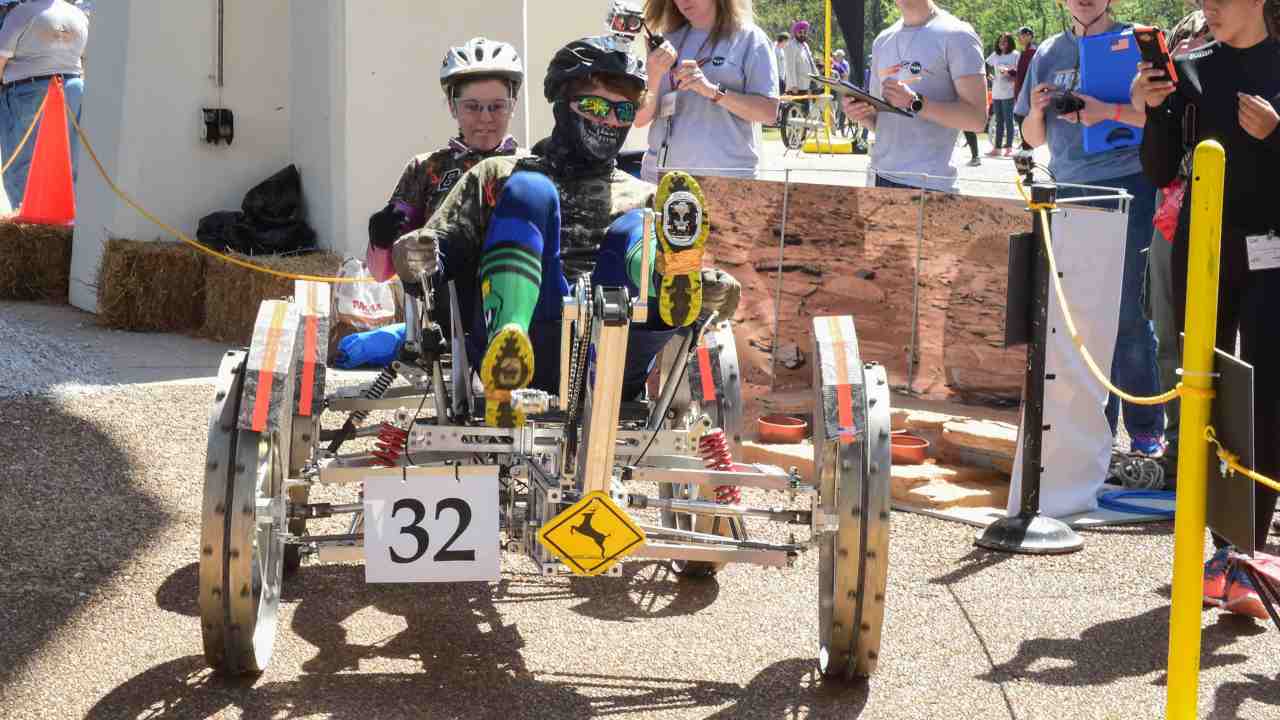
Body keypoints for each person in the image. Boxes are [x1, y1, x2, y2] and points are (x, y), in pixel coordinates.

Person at [392, 35, 741, 428]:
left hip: (619, 345)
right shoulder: (498, 174)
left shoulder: (648, 197)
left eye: (623, 110)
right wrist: (417, 253)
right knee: (530, 189)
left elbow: (709, 299)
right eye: (594, 106)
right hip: (535, 337)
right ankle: (509, 341)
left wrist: (715, 290)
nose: (609, 121)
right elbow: (435, 257)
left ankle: (674, 282)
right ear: (561, 104)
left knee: (640, 225)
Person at [1134, 0, 1280, 619]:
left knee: (1269, 395)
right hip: (1203, 251)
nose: (1207, 8)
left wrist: (1277, 137)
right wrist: (1155, 109)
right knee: (1206, 392)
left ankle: (1253, 551)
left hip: (1274, 252)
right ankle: (1223, 552)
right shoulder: (1193, 67)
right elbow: (1161, 171)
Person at [1015, 0, 1165, 456]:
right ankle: (1093, 430)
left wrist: (1104, 112)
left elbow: (1160, 123)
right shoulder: (1047, 52)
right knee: (1079, 315)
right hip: (1069, 187)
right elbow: (1031, 138)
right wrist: (1039, 111)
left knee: (1127, 313)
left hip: (1129, 185)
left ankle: (1145, 430)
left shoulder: (1138, 44)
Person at [1127, 7, 1213, 484]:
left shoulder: (1263, 25)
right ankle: (1181, 449)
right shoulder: (1184, 28)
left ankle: (1248, 463)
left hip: (1238, 201)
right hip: (1172, 202)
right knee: (1169, 334)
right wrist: (1146, 98)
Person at [367, 37, 526, 283]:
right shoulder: (426, 168)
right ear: (453, 107)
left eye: (497, 106)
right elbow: (381, 273)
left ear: (513, 105)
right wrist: (380, 239)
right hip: (445, 311)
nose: (485, 118)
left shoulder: (531, 165)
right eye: (472, 107)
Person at [841, 0, 986, 191]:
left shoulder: (958, 35)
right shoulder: (882, 40)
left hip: (929, 185)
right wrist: (861, 114)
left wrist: (915, 103)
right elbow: (881, 123)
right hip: (879, 177)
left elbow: (976, 119)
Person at [635, 0, 779, 181]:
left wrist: (713, 91)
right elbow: (639, 119)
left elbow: (768, 113)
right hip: (660, 178)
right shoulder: (665, 41)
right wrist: (654, 76)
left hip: (725, 180)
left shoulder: (750, 38)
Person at [0, 0, 88, 210]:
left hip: (28, 91)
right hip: (73, 87)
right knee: (68, 164)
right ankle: (69, 218)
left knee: (20, 164)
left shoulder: (21, 14)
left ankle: (25, 217)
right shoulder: (78, 15)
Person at [986, 32, 1019, 156]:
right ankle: (997, 148)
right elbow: (986, 64)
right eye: (1000, 42)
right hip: (996, 92)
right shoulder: (995, 55)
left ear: (1010, 42)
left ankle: (1009, 148)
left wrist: (1009, 72)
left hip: (1009, 92)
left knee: (1008, 120)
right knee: (998, 121)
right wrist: (989, 75)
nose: (1002, 44)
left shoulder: (1015, 55)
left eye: (1005, 42)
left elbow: (1019, 71)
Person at [1011, 25, 1037, 151]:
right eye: (1019, 35)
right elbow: (1020, 73)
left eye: (1022, 35)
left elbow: (1029, 74)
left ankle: (1028, 148)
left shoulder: (1032, 53)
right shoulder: (1026, 52)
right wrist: (1011, 72)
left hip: (1027, 91)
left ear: (1029, 36)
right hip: (1021, 90)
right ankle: (1026, 145)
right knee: (1020, 117)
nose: (1019, 38)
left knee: (1022, 117)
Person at [782, 19, 819, 97]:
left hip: (806, 86)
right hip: (795, 88)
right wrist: (793, 85)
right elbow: (790, 67)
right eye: (800, 32)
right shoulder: (791, 45)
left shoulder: (805, 45)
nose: (803, 34)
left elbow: (811, 63)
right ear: (795, 33)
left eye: (805, 32)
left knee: (806, 109)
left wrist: (818, 80)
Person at [774, 31, 790, 97]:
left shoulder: (781, 50)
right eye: (787, 41)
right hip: (776, 78)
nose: (787, 44)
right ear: (783, 40)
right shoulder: (774, 49)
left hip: (781, 78)